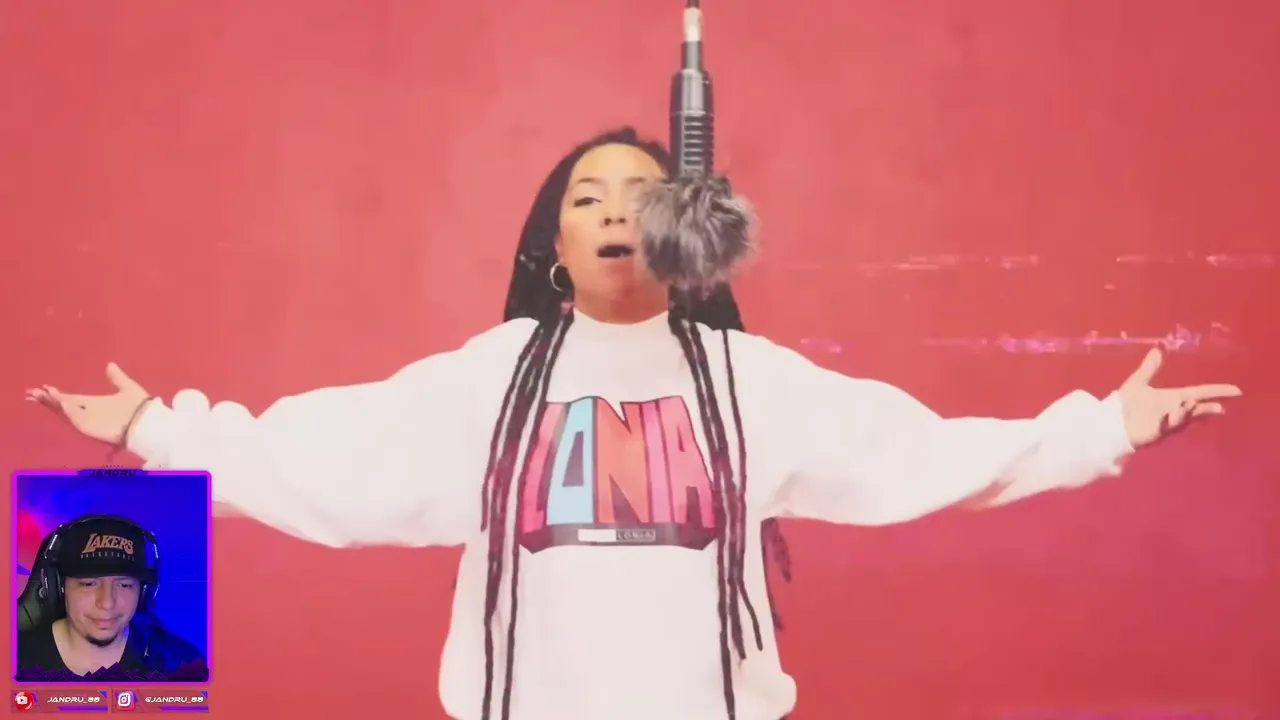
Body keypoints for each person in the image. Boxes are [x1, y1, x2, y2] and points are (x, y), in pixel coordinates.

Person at [26, 128, 1240, 720]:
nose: (613, 210)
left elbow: (922, 457)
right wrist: (156, 431)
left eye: (641, 195)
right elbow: (326, 462)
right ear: (552, 245)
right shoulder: (490, 380)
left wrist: (1103, 428)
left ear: (683, 232)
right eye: (585, 196)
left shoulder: (750, 382)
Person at [15, 515, 206, 680]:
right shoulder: (12, 659)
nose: (107, 603)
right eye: (89, 584)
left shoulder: (181, 664)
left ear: (144, 592)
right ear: (59, 586)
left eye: (124, 585)